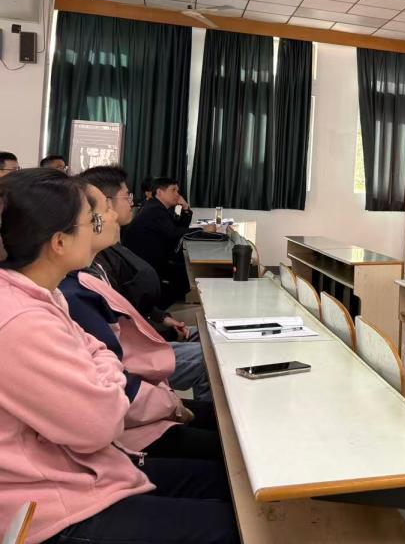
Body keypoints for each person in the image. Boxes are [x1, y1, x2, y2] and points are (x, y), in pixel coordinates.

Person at [0, 168, 238, 544]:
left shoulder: (45, 295)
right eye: (92, 220)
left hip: (81, 472)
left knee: (230, 488)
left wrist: (102, 370)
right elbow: (101, 421)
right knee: (236, 524)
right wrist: (106, 373)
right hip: (50, 508)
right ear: (59, 242)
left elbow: (99, 350)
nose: (103, 222)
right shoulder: (21, 319)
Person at [59, 182, 221, 461]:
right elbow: (116, 373)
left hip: (141, 385)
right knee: (211, 359)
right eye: (103, 211)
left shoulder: (94, 266)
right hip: (131, 417)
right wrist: (171, 405)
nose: (114, 215)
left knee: (209, 341)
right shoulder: (73, 290)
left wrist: (160, 318)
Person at [80, 166, 210, 400]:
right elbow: (114, 350)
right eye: (126, 197)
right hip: (132, 353)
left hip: (141, 331)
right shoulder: (84, 274)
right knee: (212, 359)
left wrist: (159, 317)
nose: (131, 204)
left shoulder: (106, 253)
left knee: (210, 335)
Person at [122, 177, 201, 306]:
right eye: (173, 190)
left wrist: (185, 208)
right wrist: (202, 230)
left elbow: (177, 228)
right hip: (147, 264)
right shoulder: (155, 210)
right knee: (185, 273)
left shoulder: (158, 207)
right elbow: (174, 233)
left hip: (151, 258)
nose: (177, 194)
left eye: (178, 191)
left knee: (185, 268)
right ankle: (157, 308)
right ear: (159, 192)